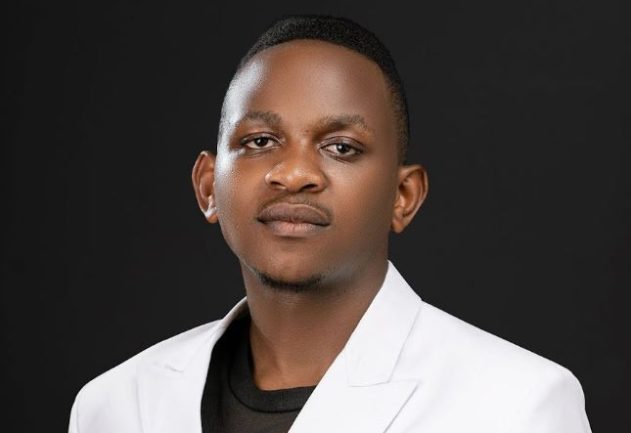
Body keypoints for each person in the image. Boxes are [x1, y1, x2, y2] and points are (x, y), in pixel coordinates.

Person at [68, 15, 592, 433]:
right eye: (259, 141)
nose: (294, 174)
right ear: (208, 187)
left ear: (403, 197)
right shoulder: (114, 406)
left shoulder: (516, 407)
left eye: (341, 147)